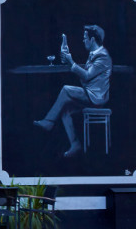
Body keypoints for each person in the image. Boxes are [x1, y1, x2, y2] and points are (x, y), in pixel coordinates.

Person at [34, 25, 112, 158]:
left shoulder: (103, 57)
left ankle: (49, 121)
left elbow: (87, 76)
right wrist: (70, 62)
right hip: (91, 94)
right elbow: (88, 76)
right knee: (66, 109)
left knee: (66, 89)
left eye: (85, 38)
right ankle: (75, 144)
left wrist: (72, 62)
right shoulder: (95, 55)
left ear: (92, 39)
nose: (83, 41)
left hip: (96, 97)